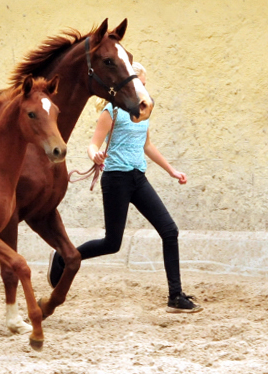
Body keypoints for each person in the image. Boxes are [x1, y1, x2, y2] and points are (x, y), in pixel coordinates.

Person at [47, 62, 202, 313]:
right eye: (138, 84)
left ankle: (175, 296)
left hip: (138, 179)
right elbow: (93, 144)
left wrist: (172, 170)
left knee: (169, 230)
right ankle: (65, 256)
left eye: (143, 84)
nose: (142, 90)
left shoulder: (145, 112)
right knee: (112, 243)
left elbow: (147, 145)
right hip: (116, 179)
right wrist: (94, 155)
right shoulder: (112, 111)